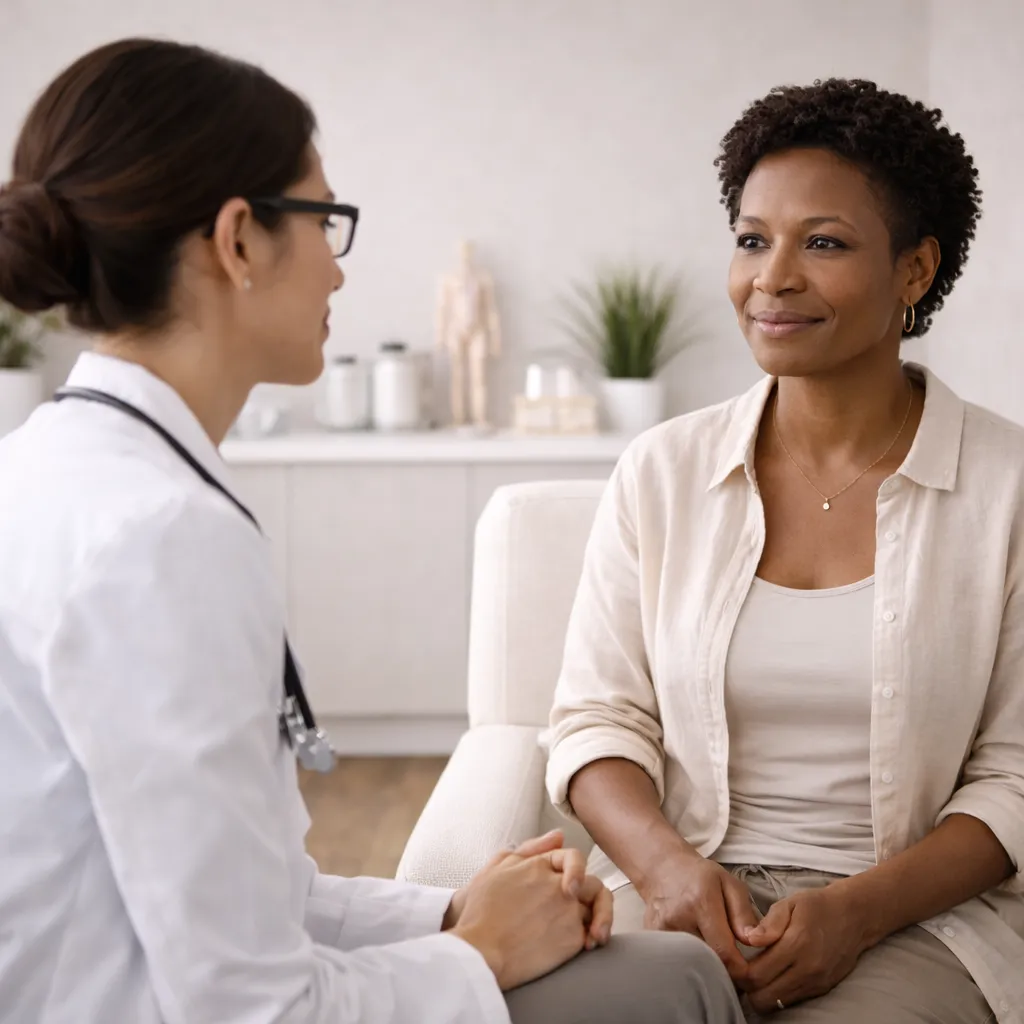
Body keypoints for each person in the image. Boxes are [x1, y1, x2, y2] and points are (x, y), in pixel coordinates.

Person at [0, 38, 744, 1024]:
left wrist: (451, 909)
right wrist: (477, 952)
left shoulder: (46, 465)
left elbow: (241, 897)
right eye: (323, 221)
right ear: (237, 240)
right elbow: (250, 1007)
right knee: (677, 981)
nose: (338, 276)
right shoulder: (161, 538)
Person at [545, 78, 1024, 1023]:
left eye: (826, 243)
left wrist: (853, 913)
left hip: (911, 921)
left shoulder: (1009, 489)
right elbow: (596, 720)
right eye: (753, 239)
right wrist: (668, 870)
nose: (773, 278)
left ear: (915, 271)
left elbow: (1017, 777)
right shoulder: (663, 471)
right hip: (679, 896)